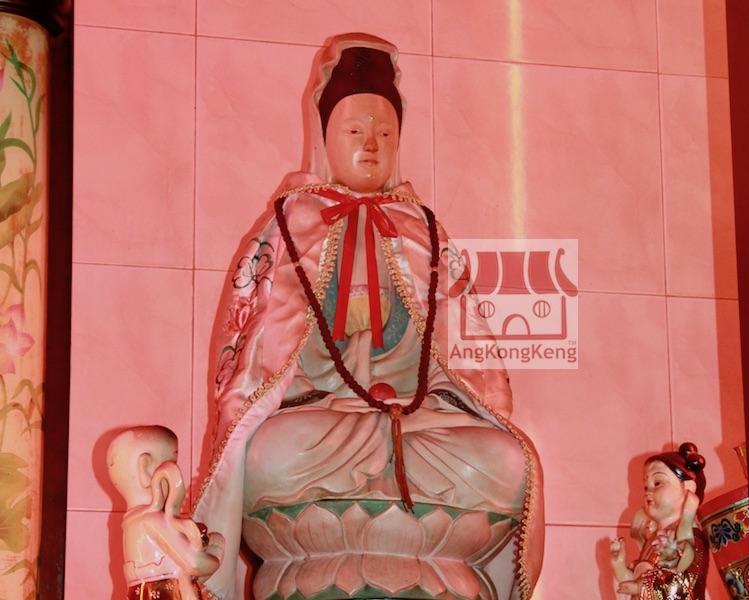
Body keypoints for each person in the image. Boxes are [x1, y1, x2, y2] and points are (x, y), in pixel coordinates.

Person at [192, 33, 544, 600]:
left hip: (414, 421)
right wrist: (330, 372)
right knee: (268, 456)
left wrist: (408, 384)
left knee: (503, 461)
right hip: (320, 423)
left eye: (385, 133)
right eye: (355, 131)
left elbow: (462, 361)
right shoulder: (287, 227)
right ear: (323, 136)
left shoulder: (423, 230)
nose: (372, 145)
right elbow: (258, 359)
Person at [107, 426, 224, 600]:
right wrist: (217, 552)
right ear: (146, 468)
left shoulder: (132, 523)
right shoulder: (152, 520)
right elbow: (194, 564)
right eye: (172, 462)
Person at [609, 442, 710, 599]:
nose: (648, 492)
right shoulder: (654, 539)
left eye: (657, 483)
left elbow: (686, 584)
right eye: (645, 486)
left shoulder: (693, 537)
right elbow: (635, 580)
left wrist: (641, 588)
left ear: (688, 488)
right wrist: (619, 565)